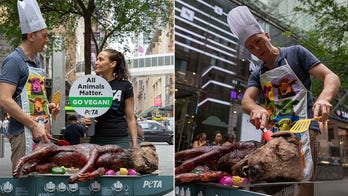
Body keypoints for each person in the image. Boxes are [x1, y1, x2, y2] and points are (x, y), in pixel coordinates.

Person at [227, 6, 340, 196]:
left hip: (303, 130)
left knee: (302, 180)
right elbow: (247, 101)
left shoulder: (296, 53)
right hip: (275, 134)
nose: (256, 49)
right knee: (271, 183)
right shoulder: (257, 72)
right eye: (250, 47)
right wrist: (256, 109)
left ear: (267, 36)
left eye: (258, 41)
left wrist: (324, 98)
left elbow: (331, 77)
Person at [0, 0, 60, 170]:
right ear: (31, 35)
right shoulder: (14, 60)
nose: (47, 40)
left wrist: (46, 107)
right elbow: (4, 100)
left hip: (40, 132)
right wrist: (33, 125)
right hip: (23, 133)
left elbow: (30, 97)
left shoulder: (37, 61)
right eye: (44, 35)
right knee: (24, 183)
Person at [85, 49, 138, 149]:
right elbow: (89, 113)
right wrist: (87, 120)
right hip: (97, 138)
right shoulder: (91, 85)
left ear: (112, 64)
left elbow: (130, 118)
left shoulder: (125, 86)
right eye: (96, 59)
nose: (96, 62)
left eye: (101, 60)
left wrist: (135, 144)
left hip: (119, 139)